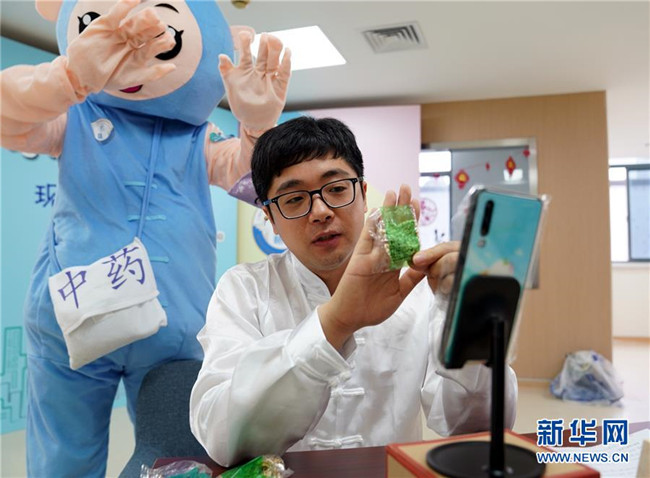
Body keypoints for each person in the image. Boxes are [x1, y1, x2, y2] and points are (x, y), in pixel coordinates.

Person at [0, 0, 290, 475]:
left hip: (172, 329)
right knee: (62, 458)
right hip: (74, 319)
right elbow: (9, 119)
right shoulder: (74, 117)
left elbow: (255, 183)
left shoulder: (199, 138)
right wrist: (69, 78)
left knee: (177, 456)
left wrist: (258, 130)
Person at [190, 117, 517, 467]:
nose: (320, 212)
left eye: (336, 189)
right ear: (270, 217)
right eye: (295, 198)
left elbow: (476, 427)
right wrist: (335, 322)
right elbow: (222, 437)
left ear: (362, 194)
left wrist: (470, 325)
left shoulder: (420, 285)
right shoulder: (243, 290)